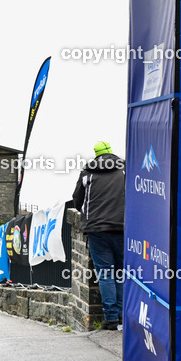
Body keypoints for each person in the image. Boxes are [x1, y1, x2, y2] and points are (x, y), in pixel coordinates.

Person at [72, 141, 125, 331]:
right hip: (123, 227)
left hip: (96, 229)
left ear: (97, 155)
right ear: (111, 152)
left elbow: (77, 200)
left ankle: (111, 318)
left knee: (105, 273)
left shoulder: (87, 172)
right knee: (121, 272)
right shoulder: (126, 169)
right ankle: (122, 315)